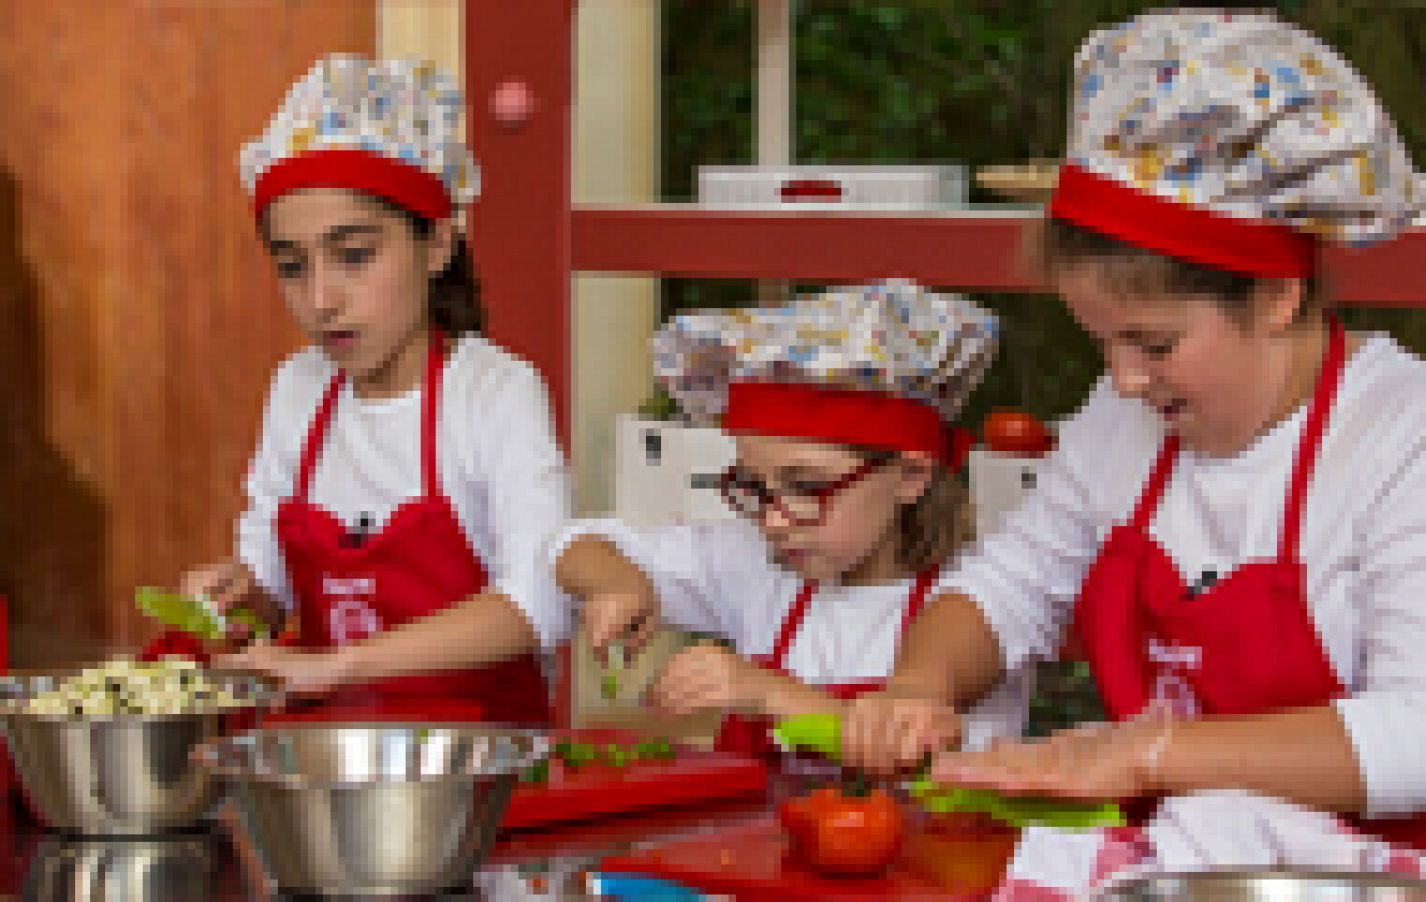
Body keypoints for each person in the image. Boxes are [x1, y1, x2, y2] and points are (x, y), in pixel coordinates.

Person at [839, 9, 1426, 885]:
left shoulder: (1420, 436)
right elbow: (1013, 585)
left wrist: (1147, 756)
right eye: (1102, 344)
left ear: (1278, 296)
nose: (1125, 381)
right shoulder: (1122, 420)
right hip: (1142, 867)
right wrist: (920, 685)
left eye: (1155, 345)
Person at [171, 56, 570, 724]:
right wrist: (236, 599)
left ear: (437, 243)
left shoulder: (494, 392)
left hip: (481, 770)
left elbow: (539, 603)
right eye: (292, 267)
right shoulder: (297, 388)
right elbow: (268, 590)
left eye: (354, 256)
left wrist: (340, 664)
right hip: (327, 768)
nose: (320, 300)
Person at [558, 281, 1028, 760]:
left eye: (805, 487)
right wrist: (619, 584)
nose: (774, 522)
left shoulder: (980, 602)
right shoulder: (759, 565)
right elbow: (573, 544)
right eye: (755, 487)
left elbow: (930, 756)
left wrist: (768, 694)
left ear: (910, 474)